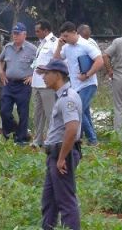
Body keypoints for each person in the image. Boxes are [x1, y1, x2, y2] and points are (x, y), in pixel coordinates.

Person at [38, 59, 82, 230]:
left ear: (57, 75)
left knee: (65, 201)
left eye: (47, 74)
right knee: (49, 201)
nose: (44, 78)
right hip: (55, 154)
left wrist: (62, 157)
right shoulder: (63, 97)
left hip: (62, 154)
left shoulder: (67, 99)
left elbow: (72, 129)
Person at [53, 22, 103, 146]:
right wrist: (59, 46)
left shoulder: (86, 45)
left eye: (66, 35)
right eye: (62, 36)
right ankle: (85, 138)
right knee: (84, 111)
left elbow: (99, 60)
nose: (64, 38)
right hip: (75, 85)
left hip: (88, 84)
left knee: (77, 110)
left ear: (74, 33)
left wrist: (87, 74)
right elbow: (55, 60)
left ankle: (92, 139)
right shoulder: (66, 47)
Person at [0, 22, 38, 143]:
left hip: (23, 84)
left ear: (24, 34)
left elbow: (40, 63)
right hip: (9, 83)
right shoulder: (8, 47)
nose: (15, 36)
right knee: (4, 110)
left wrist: (33, 76)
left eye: (17, 34)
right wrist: (1, 73)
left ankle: (21, 139)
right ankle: (12, 132)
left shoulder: (32, 49)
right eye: (14, 34)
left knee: (23, 112)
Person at [30, 20, 59, 145]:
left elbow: (57, 60)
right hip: (37, 82)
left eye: (38, 31)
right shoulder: (41, 43)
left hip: (47, 84)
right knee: (38, 113)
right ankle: (38, 139)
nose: (36, 33)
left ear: (46, 30)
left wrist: (47, 69)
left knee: (50, 112)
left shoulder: (54, 42)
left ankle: (52, 139)